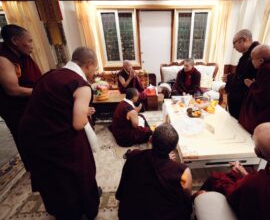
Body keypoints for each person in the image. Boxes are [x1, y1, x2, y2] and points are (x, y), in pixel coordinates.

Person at [18, 47, 100, 219]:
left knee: (51, 177)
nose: (95, 73)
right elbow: (78, 124)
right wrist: (84, 113)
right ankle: (84, 208)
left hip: (34, 138)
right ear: (89, 64)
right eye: (95, 68)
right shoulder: (82, 86)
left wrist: (82, 110)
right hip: (60, 142)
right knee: (80, 170)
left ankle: (60, 210)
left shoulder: (50, 75)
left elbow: (53, 107)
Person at [196, 122, 270, 220]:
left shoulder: (257, 183)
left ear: (258, 153)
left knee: (215, 178)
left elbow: (234, 195)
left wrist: (246, 179)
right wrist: (246, 176)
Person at [116, 123, 193, 220]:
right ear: (173, 148)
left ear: (150, 140)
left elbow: (125, 181)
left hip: (129, 213)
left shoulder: (134, 155)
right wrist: (168, 162)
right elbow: (187, 196)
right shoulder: (182, 171)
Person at [0, 24, 42, 169]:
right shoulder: (4, 59)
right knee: (26, 138)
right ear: (15, 40)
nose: (32, 45)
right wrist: (41, 91)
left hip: (31, 104)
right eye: (29, 41)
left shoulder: (22, 56)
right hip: (16, 109)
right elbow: (12, 90)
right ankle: (35, 168)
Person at [223, 29, 259, 119]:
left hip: (245, 101)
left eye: (234, 43)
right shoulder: (247, 55)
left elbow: (245, 79)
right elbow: (241, 75)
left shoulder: (256, 55)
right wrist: (230, 77)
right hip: (238, 99)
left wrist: (230, 78)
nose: (234, 47)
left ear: (243, 40)